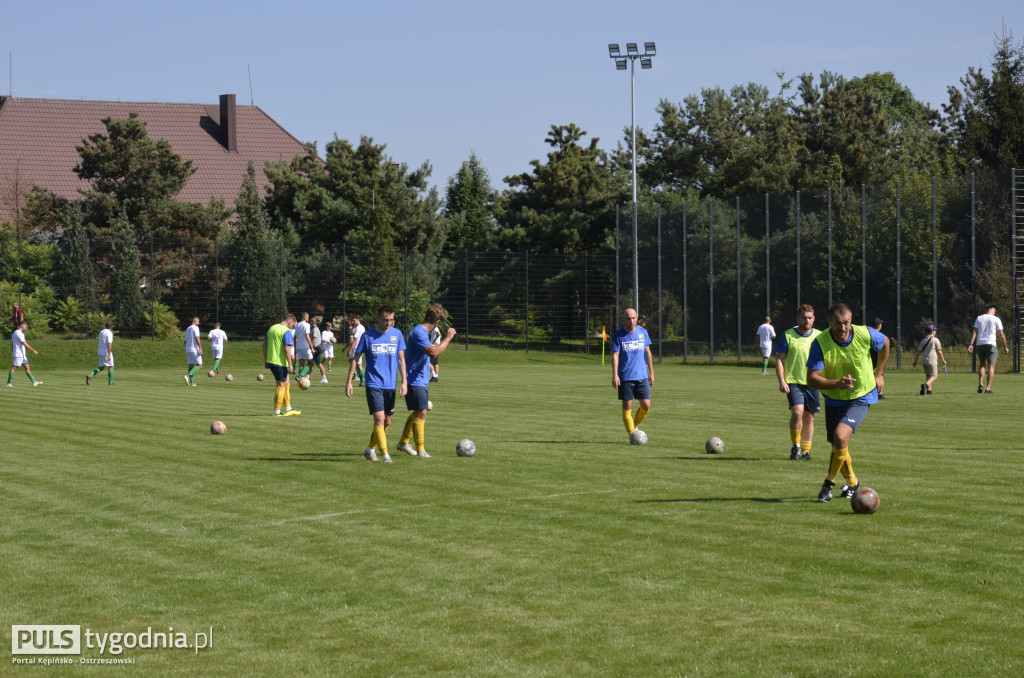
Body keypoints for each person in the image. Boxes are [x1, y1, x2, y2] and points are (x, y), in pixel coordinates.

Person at [806, 302, 889, 503]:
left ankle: (828, 485)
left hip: (862, 395)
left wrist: (879, 373)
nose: (843, 328)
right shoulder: (820, 342)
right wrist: (837, 383)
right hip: (835, 399)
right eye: (838, 323)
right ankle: (853, 484)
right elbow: (811, 379)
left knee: (840, 436)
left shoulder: (864, 334)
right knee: (838, 444)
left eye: (847, 323)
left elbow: (885, 342)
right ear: (828, 321)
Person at [346, 305, 407, 463]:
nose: (388, 323)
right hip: (373, 383)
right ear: (378, 318)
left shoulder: (397, 334)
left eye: (391, 320)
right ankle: (385, 455)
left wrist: (404, 382)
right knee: (379, 419)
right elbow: (355, 359)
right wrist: (349, 382)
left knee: (387, 421)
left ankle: (370, 449)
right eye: (386, 320)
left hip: (390, 385)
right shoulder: (368, 336)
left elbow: (401, 359)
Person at [397, 303, 457, 458]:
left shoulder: (421, 332)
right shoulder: (419, 332)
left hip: (420, 379)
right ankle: (420, 450)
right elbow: (434, 352)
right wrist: (449, 338)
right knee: (422, 412)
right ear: (437, 322)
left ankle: (403, 442)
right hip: (413, 379)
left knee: (420, 410)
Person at [774, 304, 821, 460]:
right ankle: (796, 446)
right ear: (797, 318)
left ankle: (806, 451)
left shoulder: (820, 336)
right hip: (794, 382)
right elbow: (780, 360)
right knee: (797, 412)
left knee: (809, 416)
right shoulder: (788, 335)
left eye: (809, 318)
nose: (806, 320)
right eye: (803, 317)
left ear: (814, 319)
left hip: (813, 382)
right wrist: (782, 380)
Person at [611, 308, 655, 440]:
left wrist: (651, 372)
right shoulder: (619, 335)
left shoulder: (643, 333)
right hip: (625, 376)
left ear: (637, 318)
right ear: (624, 319)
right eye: (628, 318)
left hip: (641, 375)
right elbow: (615, 354)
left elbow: (648, 352)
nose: (631, 320)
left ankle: (634, 425)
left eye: (633, 318)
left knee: (646, 405)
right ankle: (632, 435)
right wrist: (615, 375)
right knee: (627, 406)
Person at [263, 313, 300, 417]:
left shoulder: (272, 328)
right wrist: (291, 364)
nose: (292, 328)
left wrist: (266, 360)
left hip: (271, 360)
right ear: (289, 322)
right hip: (279, 363)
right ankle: (277, 411)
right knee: (281, 386)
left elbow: (264, 344)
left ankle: (288, 408)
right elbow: (287, 348)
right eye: (292, 325)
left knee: (287, 382)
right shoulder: (286, 331)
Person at [967, 305, 1009, 394]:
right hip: (991, 344)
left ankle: (981, 384)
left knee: (982, 364)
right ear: (994, 311)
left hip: (980, 344)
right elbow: (1001, 335)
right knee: (991, 366)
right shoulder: (996, 319)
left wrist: (971, 344)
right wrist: (1005, 346)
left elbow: (974, 332)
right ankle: (988, 388)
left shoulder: (979, 318)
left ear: (987, 311)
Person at [912, 324, 947, 395]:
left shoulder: (923, 340)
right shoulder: (935, 340)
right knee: (934, 375)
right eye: (935, 330)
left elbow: (918, 352)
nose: (935, 331)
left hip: (924, 361)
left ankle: (929, 391)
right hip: (932, 361)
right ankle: (925, 385)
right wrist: (943, 360)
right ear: (932, 331)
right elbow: (939, 351)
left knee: (928, 376)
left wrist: (915, 361)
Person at [8, 320, 42, 387]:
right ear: (22, 325)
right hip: (19, 354)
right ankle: (9, 383)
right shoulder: (19, 333)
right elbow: (25, 344)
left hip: (22, 355)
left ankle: (34, 382)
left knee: (27, 368)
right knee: (14, 368)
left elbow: (12, 344)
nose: (26, 327)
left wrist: (13, 351)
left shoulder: (14, 333)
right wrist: (33, 350)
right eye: (25, 325)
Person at [87, 321, 115, 386]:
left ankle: (90, 376)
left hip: (100, 351)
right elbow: (109, 344)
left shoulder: (101, 332)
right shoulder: (109, 333)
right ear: (111, 326)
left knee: (101, 367)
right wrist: (109, 354)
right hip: (106, 352)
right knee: (111, 366)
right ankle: (110, 382)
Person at [293, 312, 315, 381]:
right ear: (305, 317)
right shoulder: (307, 325)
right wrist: (311, 347)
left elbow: (294, 337)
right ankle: (300, 376)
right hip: (305, 347)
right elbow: (307, 336)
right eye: (308, 317)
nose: (308, 319)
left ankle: (300, 380)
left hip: (298, 346)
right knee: (311, 363)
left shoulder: (297, 325)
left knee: (301, 363)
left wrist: (295, 349)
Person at [870, 318, 887, 399]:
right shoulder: (879, 336)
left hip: (869, 358)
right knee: (879, 374)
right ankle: (879, 394)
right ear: (879, 325)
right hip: (877, 358)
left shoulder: (868, 334)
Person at [183, 317, 203, 386]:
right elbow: (197, 338)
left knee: (191, 365)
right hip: (194, 349)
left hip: (188, 349)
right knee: (199, 365)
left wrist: (186, 348)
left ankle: (192, 382)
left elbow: (185, 341)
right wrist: (200, 348)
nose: (199, 323)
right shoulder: (195, 328)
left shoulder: (187, 329)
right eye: (198, 321)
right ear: (195, 321)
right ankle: (187, 376)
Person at [309, 316, 328, 384]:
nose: (309, 324)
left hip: (315, 349)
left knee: (317, 364)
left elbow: (314, 340)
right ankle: (307, 376)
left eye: (310, 322)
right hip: (315, 349)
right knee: (313, 364)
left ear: (312, 322)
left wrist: (311, 347)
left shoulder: (315, 329)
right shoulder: (315, 329)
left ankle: (324, 377)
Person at [347, 314, 366, 386]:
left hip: (357, 348)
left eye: (354, 320)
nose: (353, 322)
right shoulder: (361, 327)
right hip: (359, 348)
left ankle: (363, 381)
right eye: (352, 321)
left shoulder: (359, 328)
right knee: (356, 364)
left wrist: (350, 350)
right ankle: (362, 381)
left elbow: (355, 340)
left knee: (358, 365)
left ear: (358, 319)